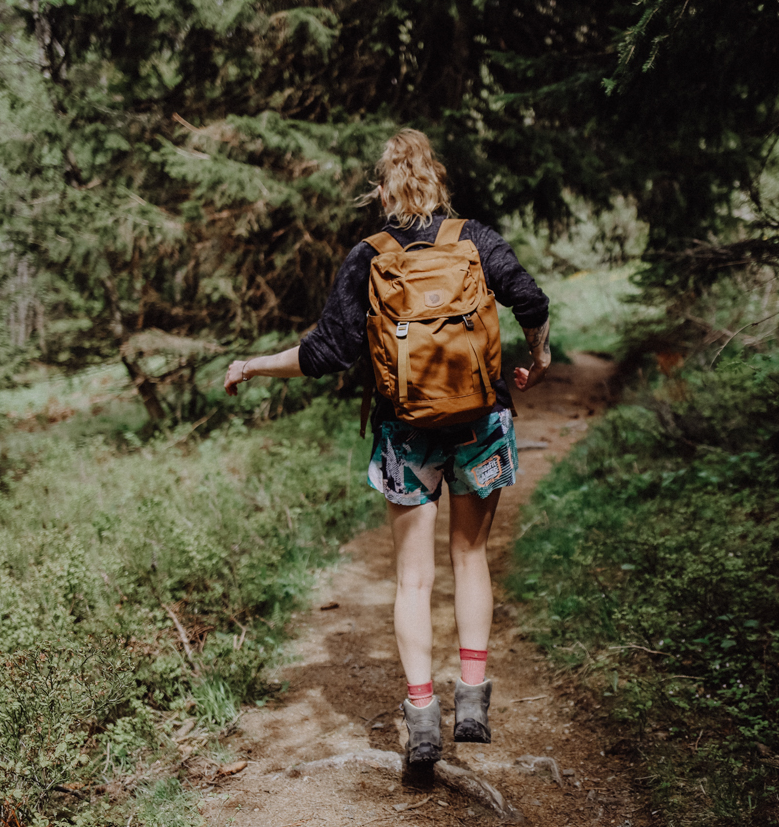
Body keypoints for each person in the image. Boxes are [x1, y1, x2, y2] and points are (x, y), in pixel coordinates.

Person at [224, 129, 551, 765]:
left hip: (405, 434)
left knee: (412, 577)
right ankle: (474, 698)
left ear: (383, 189)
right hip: (481, 423)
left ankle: (423, 716)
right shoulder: (475, 240)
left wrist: (253, 364)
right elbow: (530, 300)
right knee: (471, 557)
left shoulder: (369, 256)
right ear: (438, 181)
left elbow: (326, 353)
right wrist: (537, 357)